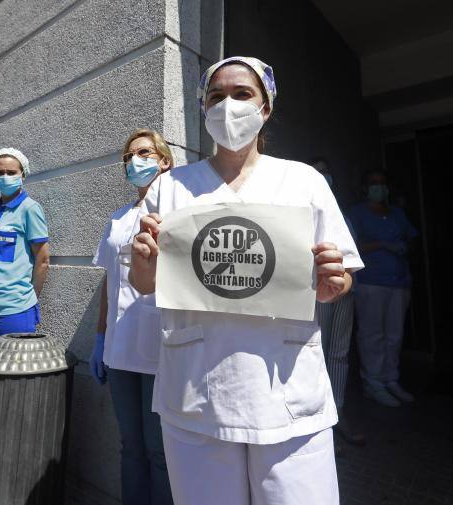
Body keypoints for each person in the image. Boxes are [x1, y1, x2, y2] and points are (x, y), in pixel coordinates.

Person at [129, 57, 363, 505]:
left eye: (242, 94)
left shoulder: (304, 181)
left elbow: (340, 276)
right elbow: (144, 283)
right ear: (203, 109)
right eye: (216, 97)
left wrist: (336, 283)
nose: (228, 106)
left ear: (266, 107)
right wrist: (144, 259)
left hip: (286, 391)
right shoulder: (171, 187)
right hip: (197, 391)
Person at [91, 129, 174, 505]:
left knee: (160, 452)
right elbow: (110, 281)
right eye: (128, 156)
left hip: (162, 348)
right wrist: (99, 337)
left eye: (143, 152)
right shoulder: (118, 218)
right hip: (120, 347)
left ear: (164, 161)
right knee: (130, 446)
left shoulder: (179, 213)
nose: (134, 161)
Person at [349, 171, 418, 408]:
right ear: (365, 188)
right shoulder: (357, 214)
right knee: (372, 335)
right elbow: (351, 246)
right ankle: (373, 382)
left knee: (394, 335)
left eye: (383, 183)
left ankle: (391, 379)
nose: (379, 187)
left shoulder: (397, 213)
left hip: (399, 282)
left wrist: (402, 247)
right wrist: (381, 244)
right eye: (373, 183)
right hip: (371, 282)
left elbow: (410, 238)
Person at [309, 159, 364, 450]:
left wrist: (346, 283)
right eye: (316, 170)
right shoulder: (304, 205)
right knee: (320, 347)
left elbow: (352, 258)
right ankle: (321, 420)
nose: (322, 175)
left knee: (339, 352)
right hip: (317, 293)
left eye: (326, 170)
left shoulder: (341, 212)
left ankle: (338, 413)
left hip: (345, 292)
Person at [0, 148, 50, 352]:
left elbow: (42, 259)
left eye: (11, 172)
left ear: (22, 174)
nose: (4, 177)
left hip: (14, 309)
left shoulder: (30, 209)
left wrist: (30, 297)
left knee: (11, 377)